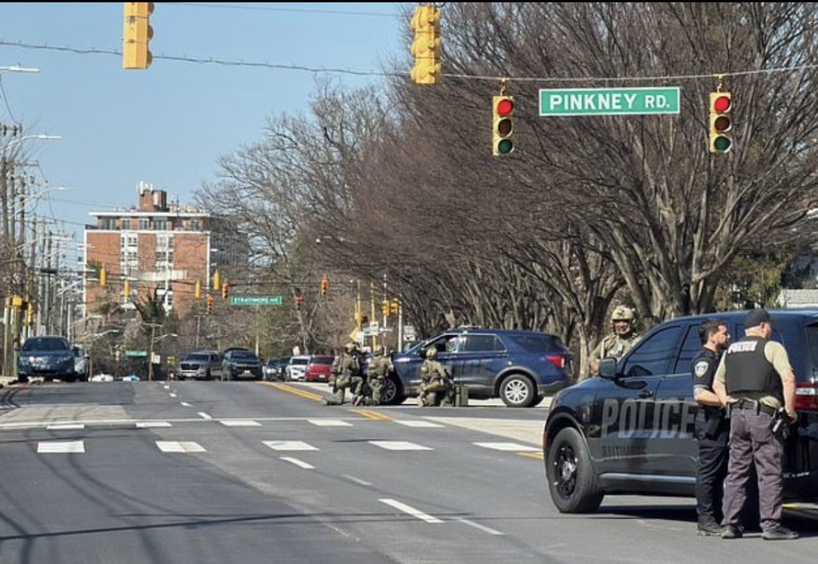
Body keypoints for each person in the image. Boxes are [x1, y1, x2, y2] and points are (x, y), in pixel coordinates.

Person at [713, 309, 799, 541]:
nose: (770, 329)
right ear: (763, 326)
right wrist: (790, 410)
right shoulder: (771, 347)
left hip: (737, 416)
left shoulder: (731, 350)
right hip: (763, 416)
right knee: (769, 471)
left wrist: (727, 403)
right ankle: (771, 525)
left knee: (736, 472)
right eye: (769, 326)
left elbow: (717, 383)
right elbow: (788, 378)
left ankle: (730, 524)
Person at [692, 319, 731, 536]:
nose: (727, 337)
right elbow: (700, 394)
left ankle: (716, 516)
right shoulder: (704, 360)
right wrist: (728, 401)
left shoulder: (719, 357)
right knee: (708, 472)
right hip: (711, 424)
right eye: (724, 333)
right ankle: (705, 519)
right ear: (712, 336)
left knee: (719, 473)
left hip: (722, 423)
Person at [585, 305, 642, 379]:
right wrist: (595, 365)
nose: (621, 325)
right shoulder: (608, 341)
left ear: (632, 322)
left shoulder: (639, 342)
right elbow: (592, 356)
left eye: (625, 321)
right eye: (617, 321)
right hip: (608, 382)